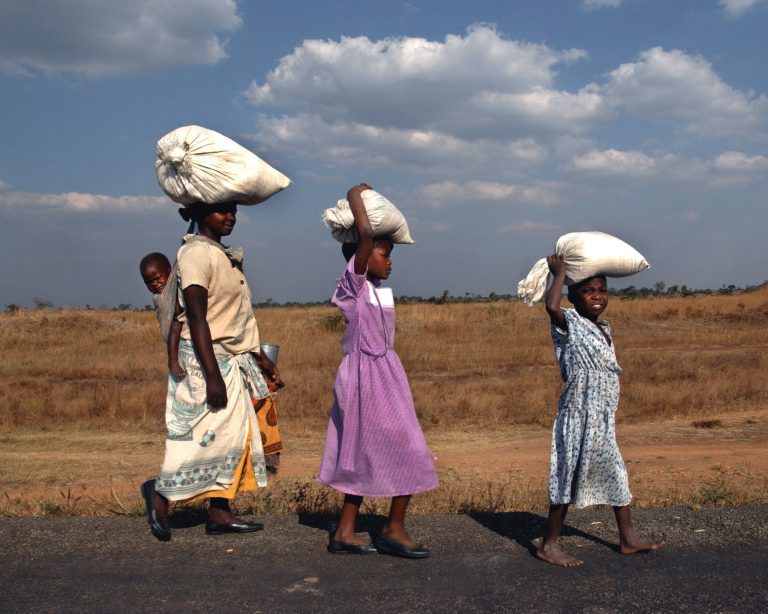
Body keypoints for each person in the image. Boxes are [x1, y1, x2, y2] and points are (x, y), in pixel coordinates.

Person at [141, 202, 282, 541]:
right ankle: (159, 494)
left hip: (231, 359)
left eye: (232, 210)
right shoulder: (195, 255)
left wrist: (263, 361)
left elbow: (236, 320)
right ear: (200, 215)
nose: (230, 216)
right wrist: (214, 376)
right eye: (221, 211)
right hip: (207, 362)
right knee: (198, 436)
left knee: (232, 436)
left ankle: (220, 512)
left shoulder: (223, 255)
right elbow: (197, 318)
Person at [318, 183, 438, 558]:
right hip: (364, 381)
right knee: (410, 449)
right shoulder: (351, 290)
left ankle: (345, 531)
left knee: (365, 452)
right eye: (383, 254)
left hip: (387, 376)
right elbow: (366, 234)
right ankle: (393, 528)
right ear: (362, 256)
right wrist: (356, 193)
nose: (390, 261)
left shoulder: (379, 289)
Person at [537, 254, 664, 567]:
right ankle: (549, 545)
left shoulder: (603, 327)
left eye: (602, 291)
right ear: (573, 296)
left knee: (616, 472)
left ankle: (627, 539)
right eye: (589, 291)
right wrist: (561, 273)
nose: (597, 296)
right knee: (567, 474)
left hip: (602, 418)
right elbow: (551, 307)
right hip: (578, 415)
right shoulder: (569, 323)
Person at [139, 252, 185, 379]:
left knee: (176, 323)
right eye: (148, 282)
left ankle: (173, 360)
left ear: (169, 271)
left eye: (157, 278)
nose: (154, 284)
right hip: (174, 332)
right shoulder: (159, 296)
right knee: (175, 326)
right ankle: (173, 361)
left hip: (179, 329)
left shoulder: (173, 283)